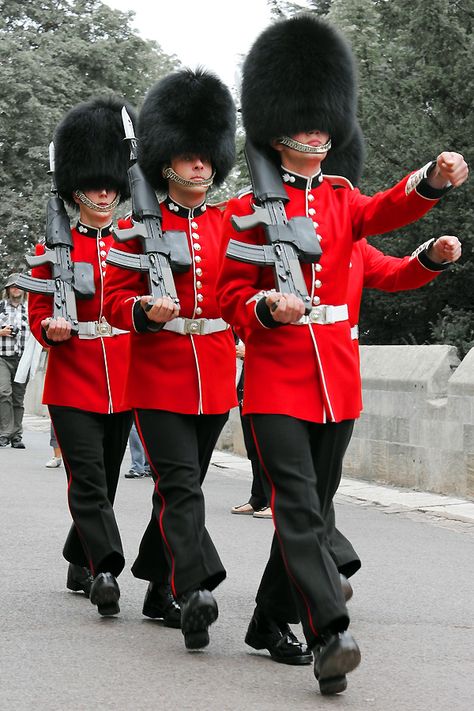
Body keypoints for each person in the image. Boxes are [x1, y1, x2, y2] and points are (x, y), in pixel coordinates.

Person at [216, 15, 468, 695]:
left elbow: (386, 213)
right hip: (274, 380)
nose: (319, 132)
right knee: (298, 505)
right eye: (306, 122)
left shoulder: (341, 199)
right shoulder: (244, 214)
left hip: (336, 382)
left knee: (314, 504)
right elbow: (229, 298)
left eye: (326, 121)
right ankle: (329, 629)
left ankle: (269, 621)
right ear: (277, 130)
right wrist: (267, 308)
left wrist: (432, 182)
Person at [103, 69, 237, 649]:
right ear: (165, 164)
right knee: (182, 487)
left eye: (207, 158)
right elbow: (111, 299)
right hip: (157, 376)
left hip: (212, 373)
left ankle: (158, 585)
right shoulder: (135, 227)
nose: (200, 167)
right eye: (189, 158)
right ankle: (195, 588)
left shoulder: (231, 224)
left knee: (177, 487)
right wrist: (142, 311)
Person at [27, 96, 134, 615]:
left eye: (111, 184)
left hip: (125, 376)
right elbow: (37, 312)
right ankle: (105, 569)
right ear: (75, 189)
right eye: (94, 185)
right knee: (87, 479)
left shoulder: (134, 245)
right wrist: (51, 328)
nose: (104, 193)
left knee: (108, 480)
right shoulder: (54, 248)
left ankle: (79, 552)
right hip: (73, 379)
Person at [231, 338, 271, 518]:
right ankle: (258, 498)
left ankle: (275, 501)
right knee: (253, 447)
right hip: (246, 384)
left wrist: (251, 353)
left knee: (269, 449)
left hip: (270, 383)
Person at [0, 278, 29, 449]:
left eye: (19, 286)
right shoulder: (1, 306)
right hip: (2, 357)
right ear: (7, 289)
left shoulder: (30, 309)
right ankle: (4, 433)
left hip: (23, 358)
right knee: (4, 393)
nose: (16, 289)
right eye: (12, 286)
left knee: (18, 398)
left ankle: (16, 436)